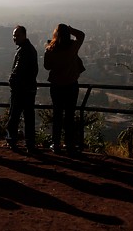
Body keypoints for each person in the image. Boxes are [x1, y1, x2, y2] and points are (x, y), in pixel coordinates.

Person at [43, 24, 85, 155]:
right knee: (69, 115)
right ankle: (69, 143)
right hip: (71, 85)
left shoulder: (50, 49)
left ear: (56, 34)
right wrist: (71, 29)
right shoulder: (73, 47)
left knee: (57, 115)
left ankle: (56, 143)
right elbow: (82, 35)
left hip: (56, 86)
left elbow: (47, 67)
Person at [6, 25, 38, 153]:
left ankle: (11, 140)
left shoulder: (23, 51)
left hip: (20, 90)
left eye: (17, 35)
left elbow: (18, 70)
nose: (14, 38)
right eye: (14, 35)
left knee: (14, 116)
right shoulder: (30, 49)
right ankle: (30, 144)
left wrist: (12, 81)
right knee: (29, 118)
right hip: (29, 89)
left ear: (24, 35)